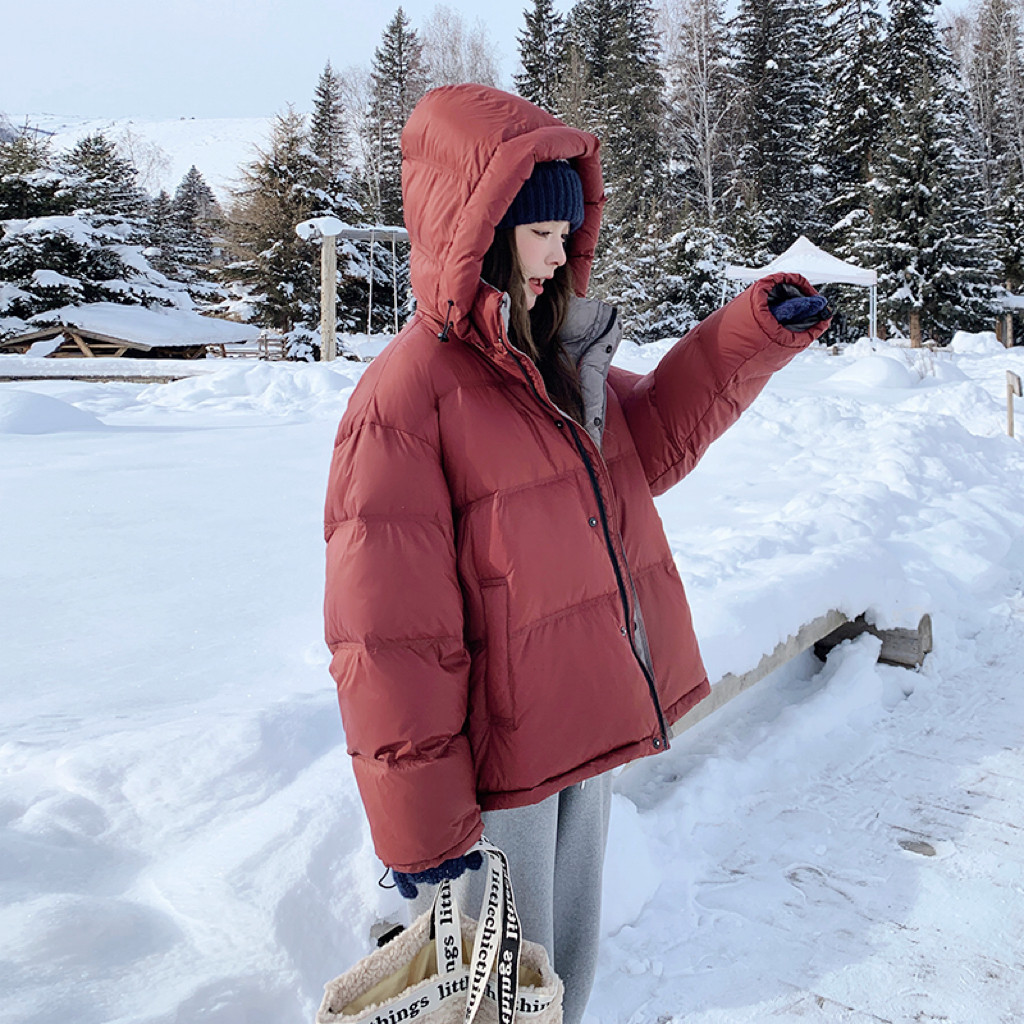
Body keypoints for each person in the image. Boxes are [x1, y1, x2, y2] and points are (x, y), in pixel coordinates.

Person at [323, 83, 831, 1024]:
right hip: (498, 760)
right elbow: (384, 630)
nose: (563, 252)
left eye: (566, 231)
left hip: (581, 726)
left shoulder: (554, 356)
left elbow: (656, 439)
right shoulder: (408, 396)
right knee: (495, 993)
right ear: (484, 230)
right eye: (541, 232)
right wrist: (420, 820)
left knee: (562, 985)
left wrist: (751, 334)